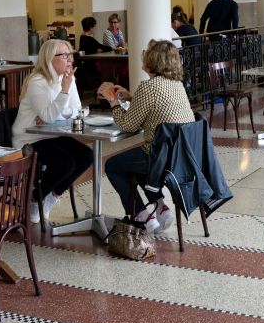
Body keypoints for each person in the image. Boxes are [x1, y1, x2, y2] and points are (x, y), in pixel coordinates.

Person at [98, 40, 195, 231]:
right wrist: (132, 97)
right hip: (182, 156)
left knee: (114, 165)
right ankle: (161, 207)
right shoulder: (176, 85)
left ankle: (142, 216)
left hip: (162, 158)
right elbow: (158, 106)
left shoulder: (148, 87)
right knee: (135, 162)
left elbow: (127, 124)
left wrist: (112, 101)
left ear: (152, 60)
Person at [11, 39, 92, 224]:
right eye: (64, 55)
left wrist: (57, 114)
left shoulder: (69, 78)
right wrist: (63, 94)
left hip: (52, 134)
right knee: (66, 163)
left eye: (70, 54)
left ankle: (50, 197)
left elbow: (78, 110)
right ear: (49, 58)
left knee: (87, 156)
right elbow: (49, 116)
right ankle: (33, 198)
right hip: (29, 138)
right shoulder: (37, 82)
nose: (69, 59)